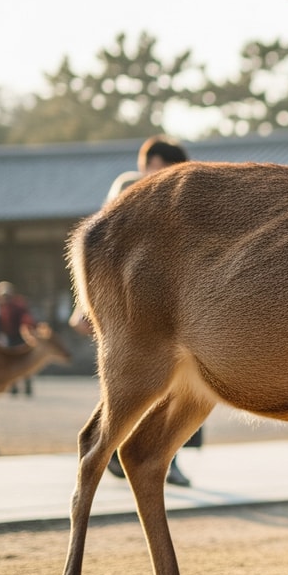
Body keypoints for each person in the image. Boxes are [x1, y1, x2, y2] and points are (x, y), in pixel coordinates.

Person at [72, 134, 196, 487]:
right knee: (135, 383)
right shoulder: (129, 188)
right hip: (133, 302)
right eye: (162, 167)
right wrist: (85, 304)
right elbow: (103, 249)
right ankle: (114, 452)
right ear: (148, 164)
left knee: (174, 385)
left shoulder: (181, 196)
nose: (166, 174)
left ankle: (162, 458)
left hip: (168, 302)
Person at [0, 281, 36, 396]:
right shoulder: (2, 307)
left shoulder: (18, 306)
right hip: (9, 337)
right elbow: (0, 323)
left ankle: (26, 387)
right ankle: (13, 387)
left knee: (24, 363)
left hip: (20, 337)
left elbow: (26, 320)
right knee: (11, 364)